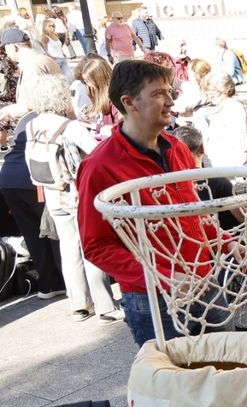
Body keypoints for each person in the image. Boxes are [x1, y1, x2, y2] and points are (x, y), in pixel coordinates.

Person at [77, 60, 225, 346]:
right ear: (129, 102)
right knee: (173, 385)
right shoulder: (99, 166)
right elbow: (96, 246)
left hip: (204, 283)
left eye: (170, 92)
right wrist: (162, 275)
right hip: (152, 299)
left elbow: (192, 216)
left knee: (222, 376)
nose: (170, 101)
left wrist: (226, 241)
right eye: (158, 94)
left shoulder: (177, 147)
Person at [26, 76, 121, 323]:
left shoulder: (32, 125)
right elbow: (96, 153)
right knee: (91, 245)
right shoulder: (70, 126)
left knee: (68, 249)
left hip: (52, 193)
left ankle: (79, 304)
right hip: (77, 193)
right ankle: (104, 306)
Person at [0, 107, 66, 300]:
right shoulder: (52, 120)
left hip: (9, 180)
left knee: (33, 234)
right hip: (35, 179)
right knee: (53, 230)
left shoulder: (26, 120)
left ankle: (47, 285)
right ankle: (65, 280)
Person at [194, 73, 247, 168]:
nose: (210, 95)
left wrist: (240, 170)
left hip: (231, 167)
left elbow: (242, 140)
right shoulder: (215, 106)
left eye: (214, 91)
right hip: (216, 165)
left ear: (226, 90)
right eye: (208, 91)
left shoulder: (235, 108)